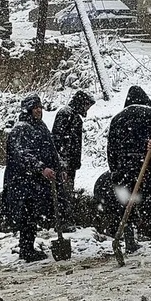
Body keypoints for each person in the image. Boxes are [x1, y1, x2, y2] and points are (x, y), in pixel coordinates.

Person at [106, 85, 151, 253]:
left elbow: (111, 149)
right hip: (145, 167)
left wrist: (115, 171)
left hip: (123, 169)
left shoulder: (117, 118)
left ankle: (129, 240)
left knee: (126, 204)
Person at [4, 94, 61, 262]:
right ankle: (26, 249)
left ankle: (28, 246)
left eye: (40, 107)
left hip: (35, 180)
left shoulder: (40, 127)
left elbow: (51, 150)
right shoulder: (21, 129)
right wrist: (41, 168)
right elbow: (22, 155)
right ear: (28, 109)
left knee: (33, 214)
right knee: (27, 215)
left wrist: (58, 168)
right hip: (22, 181)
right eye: (35, 107)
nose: (38, 110)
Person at [51, 90, 95, 222]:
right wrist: (62, 164)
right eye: (87, 105)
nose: (87, 108)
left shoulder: (74, 116)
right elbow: (58, 140)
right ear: (81, 103)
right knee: (63, 193)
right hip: (64, 164)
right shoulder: (66, 114)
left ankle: (66, 218)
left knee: (67, 192)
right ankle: (62, 220)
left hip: (70, 164)